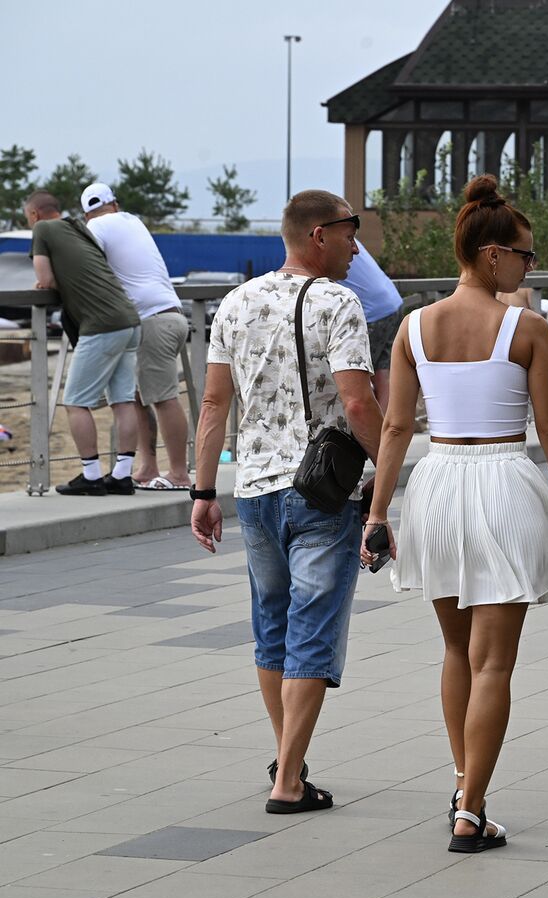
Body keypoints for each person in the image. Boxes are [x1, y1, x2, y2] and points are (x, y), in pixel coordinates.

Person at [364, 175, 548, 853]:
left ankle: (464, 784)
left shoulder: (413, 326)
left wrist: (378, 515)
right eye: (526, 254)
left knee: (457, 651)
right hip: (503, 483)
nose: (531, 265)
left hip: (436, 485)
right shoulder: (527, 326)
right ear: (493, 254)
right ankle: (471, 810)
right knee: (495, 663)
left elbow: (397, 428)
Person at [190, 190, 383, 813]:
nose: (358, 249)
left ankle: (288, 758)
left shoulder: (235, 302)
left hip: (254, 490)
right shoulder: (338, 302)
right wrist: (390, 469)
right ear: (320, 235)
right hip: (321, 491)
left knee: (271, 627)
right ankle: (288, 781)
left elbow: (215, 405)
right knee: (312, 633)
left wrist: (202, 490)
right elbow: (357, 403)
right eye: (351, 235)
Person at [24, 190, 142, 496]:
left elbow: (44, 279)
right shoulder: (78, 227)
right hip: (129, 319)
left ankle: (91, 476)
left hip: (101, 324)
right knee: (123, 400)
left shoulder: (42, 230)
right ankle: (122, 475)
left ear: (34, 215)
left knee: (75, 402)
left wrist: (44, 280)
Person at [79, 183, 191, 492]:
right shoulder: (131, 220)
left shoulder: (96, 227)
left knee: (164, 398)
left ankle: (179, 474)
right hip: (169, 316)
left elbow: (88, 268)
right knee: (141, 397)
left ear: (86, 213)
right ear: (114, 203)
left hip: (152, 321)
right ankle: (147, 468)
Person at [341, 245, 404, 411]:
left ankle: (367, 432)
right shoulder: (343, 231)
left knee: (358, 377)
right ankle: (384, 432)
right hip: (391, 303)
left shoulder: (324, 238)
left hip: (371, 313)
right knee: (382, 371)